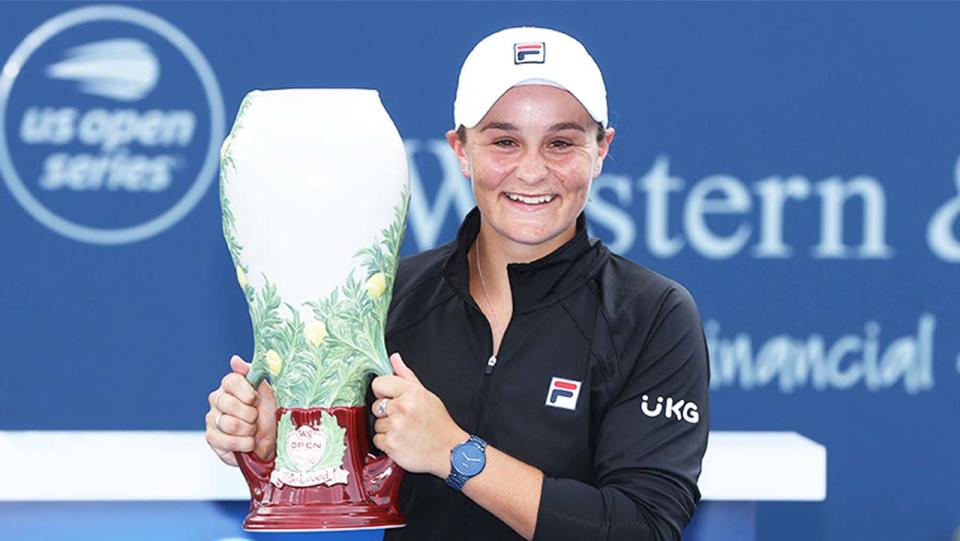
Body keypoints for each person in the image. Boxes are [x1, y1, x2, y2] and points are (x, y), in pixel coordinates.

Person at [205, 26, 709, 541]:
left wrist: (454, 454)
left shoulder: (653, 314)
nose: (532, 171)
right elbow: (343, 474)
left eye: (561, 142)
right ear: (460, 149)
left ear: (601, 150)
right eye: (504, 141)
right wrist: (281, 438)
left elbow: (642, 527)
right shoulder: (387, 297)